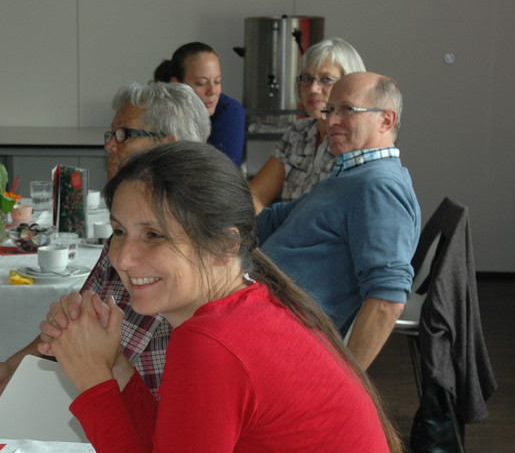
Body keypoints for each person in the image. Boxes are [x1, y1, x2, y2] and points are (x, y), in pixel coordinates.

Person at [39, 141, 438, 453]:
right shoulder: (256, 307)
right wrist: (112, 364)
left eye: (153, 235)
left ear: (225, 245)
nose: (123, 258)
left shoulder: (212, 344)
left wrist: (94, 385)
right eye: (118, 231)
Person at [0, 81, 208, 426]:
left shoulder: (188, 245)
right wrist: (15, 368)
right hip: (111, 395)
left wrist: (29, 399)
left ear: (168, 144)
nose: (110, 145)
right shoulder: (129, 230)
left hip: (153, 419)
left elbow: (120, 367)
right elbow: (82, 316)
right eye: (111, 134)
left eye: (123, 135)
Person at [257, 72, 420, 370]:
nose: (331, 121)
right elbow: (277, 220)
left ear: (386, 120)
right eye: (330, 110)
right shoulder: (351, 175)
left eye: (347, 110)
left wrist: (347, 384)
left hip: (275, 330)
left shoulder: (379, 187)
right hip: (255, 306)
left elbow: (387, 302)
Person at [247, 37, 366, 211]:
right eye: (307, 79)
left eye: (326, 79)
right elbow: (255, 195)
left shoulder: (356, 143)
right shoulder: (298, 132)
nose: (313, 89)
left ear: (350, 85)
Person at [153, 41, 245, 166]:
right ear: (177, 85)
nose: (212, 91)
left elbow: (219, 173)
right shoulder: (156, 112)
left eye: (217, 81)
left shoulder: (229, 112)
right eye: (201, 83)